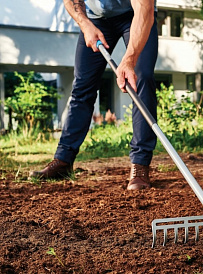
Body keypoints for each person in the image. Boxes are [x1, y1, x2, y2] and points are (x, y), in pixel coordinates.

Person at [29, 0, 158, 190]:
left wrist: (129, 60)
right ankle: (63, 160)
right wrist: (85, 23)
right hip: (97, 18)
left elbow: (144, 9)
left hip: (136, 15)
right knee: (82, 85)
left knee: (141, 78)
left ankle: (140, 164)